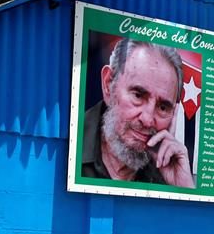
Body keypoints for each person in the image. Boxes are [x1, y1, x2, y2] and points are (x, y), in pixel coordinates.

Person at [82, 38, 195, 188]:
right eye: (138, 95)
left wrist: (183, 189)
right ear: (108, 84)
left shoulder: (166, 173)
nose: (148, 120)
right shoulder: (70, 144)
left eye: (162, 107)